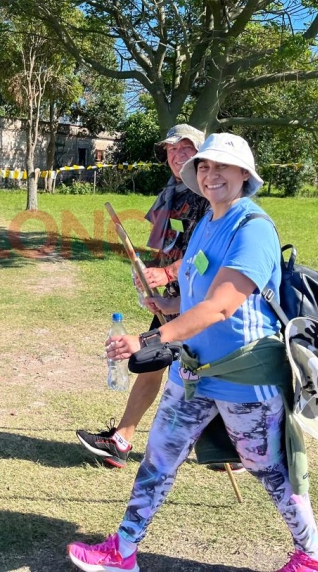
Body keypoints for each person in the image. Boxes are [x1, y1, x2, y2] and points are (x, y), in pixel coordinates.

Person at [67, 133, 318, 572]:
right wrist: (169, 303)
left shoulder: (253, 228)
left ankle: (314, 557)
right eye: (205, 167)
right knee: (158, 459)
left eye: (222, 167)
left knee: (268, 470)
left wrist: (149, 340)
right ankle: (123, 550)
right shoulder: (207, 223)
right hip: (193, 373)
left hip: (245, 376)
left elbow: (221, 306)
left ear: (244, 174)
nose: (211, 175)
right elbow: (200, 294)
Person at [75, 124, 210, 469]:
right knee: (153, 362)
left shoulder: (210, 195)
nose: (177, 156)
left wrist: (167, 274)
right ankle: (121, 440)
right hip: (173, 299)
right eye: (171, 150)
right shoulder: (173, 192)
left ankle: (228, 448)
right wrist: (150, 273)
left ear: (201, 153)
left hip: (205, 302)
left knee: (202, 374)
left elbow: (205, 255)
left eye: (185, 148)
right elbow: (172, 244)